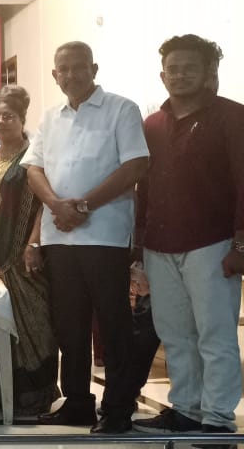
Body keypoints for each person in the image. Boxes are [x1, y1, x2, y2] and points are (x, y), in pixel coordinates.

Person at [21, 41, 149, 434]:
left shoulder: (121, 109)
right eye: (63, 69)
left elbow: (136, 165)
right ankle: (77, 402)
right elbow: (33, 169)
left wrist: (82, 206)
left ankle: (118, 407)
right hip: (59, 239)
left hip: (105, 237)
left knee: (113, 325)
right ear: (55, 74)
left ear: (94, 69)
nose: (71, 74)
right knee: (69, 326)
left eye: (79, 67)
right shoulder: (50, 117)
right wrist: (56, 205)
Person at [132, 35, 243, 440]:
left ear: (208, 71)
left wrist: (240, 244)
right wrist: (139, 249)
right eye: (172, 69)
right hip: (160, 246)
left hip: (212, 244)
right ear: (162, 76)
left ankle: (217, 419)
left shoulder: (233, 117)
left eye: (188, 68)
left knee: (215, 334)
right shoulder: (153, 125)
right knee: (176, 334)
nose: (179, 76)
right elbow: (144, 189)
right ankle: (187, 410)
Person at [0, 85, 58, 415]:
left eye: (8, 116)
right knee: (3, 324)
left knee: (33, 322)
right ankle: (1, 390)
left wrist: (33, 243)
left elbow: (43, 204)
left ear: (22, 118)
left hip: (23, 255)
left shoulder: (35, 156)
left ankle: (35, 393)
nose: (1, 122)